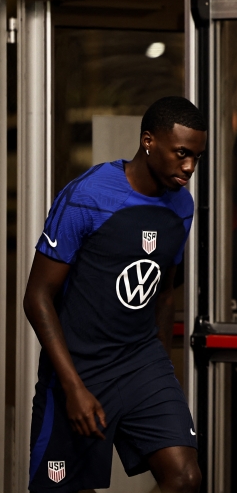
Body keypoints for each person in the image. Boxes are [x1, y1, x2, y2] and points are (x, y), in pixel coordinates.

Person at [23, 96, 208, 493]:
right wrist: (73, 387)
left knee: (185, 477)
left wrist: (162, 371)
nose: (189, 167)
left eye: (195, 157)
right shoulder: (87, 197)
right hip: (79, 367)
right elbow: (37, 297)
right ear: (148, 141)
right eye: (181, 154)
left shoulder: (182, 206)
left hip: (141, 363)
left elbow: (163, 294)